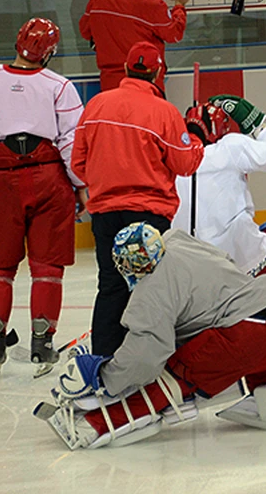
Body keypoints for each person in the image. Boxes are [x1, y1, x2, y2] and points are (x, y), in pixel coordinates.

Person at [35, 223, 266, 450]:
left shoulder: (150, 290)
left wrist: (104, 377)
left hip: (242, 336)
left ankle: (95, 425)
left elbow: (148, 357)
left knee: (174, 380)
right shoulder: (180, 241)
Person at [0, 18, 84, 376]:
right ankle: (43, 342)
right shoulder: (60, 86)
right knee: (47, 266)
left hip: (2, 178)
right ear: (50, 52)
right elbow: (71, 142)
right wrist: (81, 185)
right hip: (49, 177)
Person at [71, 41, 204, 356]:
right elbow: (185, 164)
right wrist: (195, 135)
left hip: (105, 214)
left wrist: (108, 177)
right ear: (158, 72)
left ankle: (103, 360)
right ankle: (149, 360)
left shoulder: (97, 105)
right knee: (152, 290)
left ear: (127, 68)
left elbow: (78, 164)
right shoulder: (164, 112)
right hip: (148, 216)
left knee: (111, 286)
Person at [171, 97, 266, 304]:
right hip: (237, 265)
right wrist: (257, 123)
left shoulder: (171, 158)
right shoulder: (231, 147)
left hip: (185, 270)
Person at [78, 0, 190, 93]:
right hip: (147, 87)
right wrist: (179, 6)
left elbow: (85, 31)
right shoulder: (152, 4)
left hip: (110, 86)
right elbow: (174, 34)